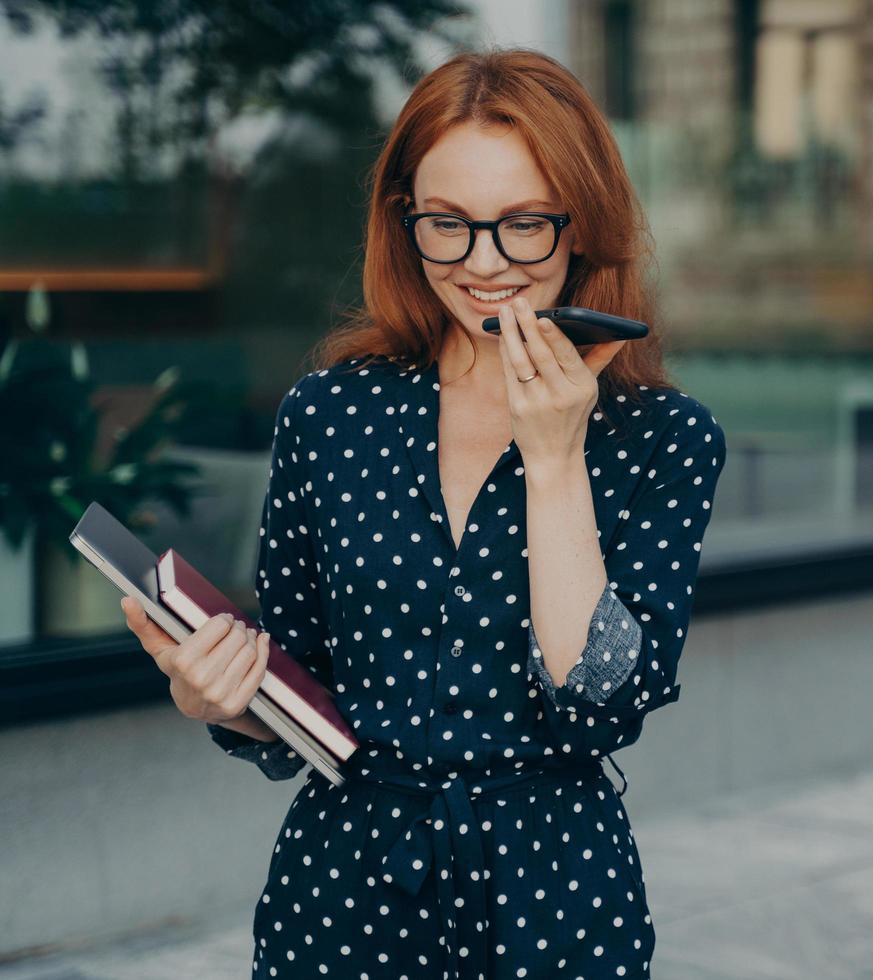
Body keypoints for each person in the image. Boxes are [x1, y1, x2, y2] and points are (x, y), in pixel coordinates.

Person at [121, 47, 727, 980]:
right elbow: (302, 686)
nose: (485, 265)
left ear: (583, 226)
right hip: (344, 889)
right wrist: (219, 699)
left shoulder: (663, 437)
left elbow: (597, 704)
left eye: (524, 224)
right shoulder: (331, 413)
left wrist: (556, 456)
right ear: (407, 224)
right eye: (448, 224)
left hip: (553, 894)